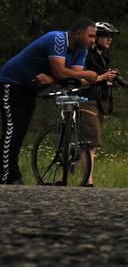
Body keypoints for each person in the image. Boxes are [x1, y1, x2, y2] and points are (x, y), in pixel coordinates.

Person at [0, 19, 100, 184]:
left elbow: (71, 80)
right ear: (78, 33)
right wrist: (84, 75)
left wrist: (54, 78)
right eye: (90, 36)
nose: (93, 40)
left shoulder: (82, 50)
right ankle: (7, 176)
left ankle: (12, 174)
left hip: (30, 89)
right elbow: (62, 73)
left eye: (94, 37)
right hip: (12, 82)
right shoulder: (58, 39)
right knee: (13, 130)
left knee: (20, 131)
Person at [79, 21, 124, 187]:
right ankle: (88, 182)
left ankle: (85, 175)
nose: (109, 39)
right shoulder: (85, 55)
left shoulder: (103, 56)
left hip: (99, 101)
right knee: (91, 141)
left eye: (111, 36)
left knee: (93, 142)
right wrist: (102, 78)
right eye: (105, 36)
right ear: (95, 37)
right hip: (87, 99)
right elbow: (80, 80)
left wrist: (112, 80)